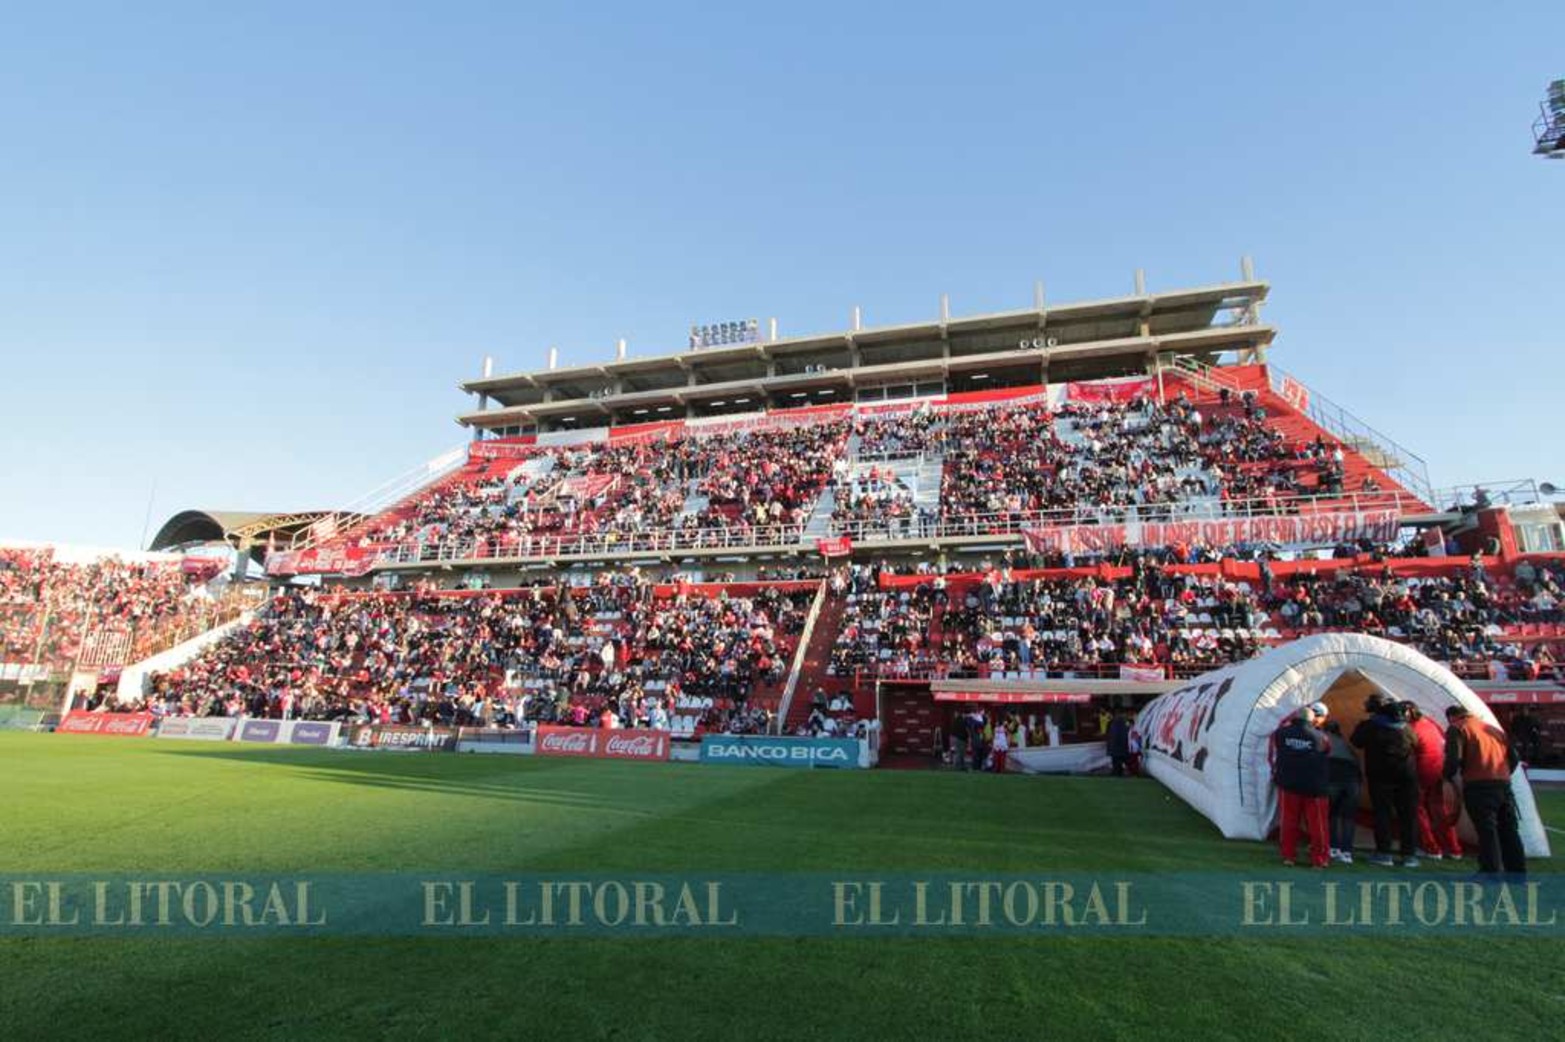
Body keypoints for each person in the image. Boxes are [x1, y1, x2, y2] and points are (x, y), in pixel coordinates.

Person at [1443, 705, 1526, 878]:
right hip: (1503, 784)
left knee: (1487, 830)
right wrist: (1503, 773)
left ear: (1452, 717)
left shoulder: (1457, 728)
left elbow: (1453, 760)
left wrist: (1446, 777)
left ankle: (1490, 870)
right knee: (1509, 829)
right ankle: (1517, 872)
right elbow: (1514, 757)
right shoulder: (1493, 729)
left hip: (1478, 785)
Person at [1351, 693, 1420, 867]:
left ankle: (1384, 853)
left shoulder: (1370, 726)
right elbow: (1416, 743)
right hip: (1407, 776)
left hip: (1380, 776)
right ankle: (1409, 854)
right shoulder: (1407, 729)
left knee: (1383, 814)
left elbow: (1356, 741)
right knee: (1408, 815)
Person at [1271, 703, 1331, 868]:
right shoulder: (1321, 737)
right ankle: (1319, 859)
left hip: (1289, 784)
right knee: (1318, 825)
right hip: (1315, 786)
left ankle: (1288, 856)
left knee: (1289, 822)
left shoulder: (1281, 733)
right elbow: (1327, 750)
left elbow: (1277, 746)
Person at [1402, 701, 1462, 860]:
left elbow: (1405, 751)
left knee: (1418, 810)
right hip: (1438, 771)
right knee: (1440, 810)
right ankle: (1454, 848)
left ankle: (1432, 848)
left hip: (1422, 773)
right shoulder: (1430, 723)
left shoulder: (1411, 729)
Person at [1322, 719, 1361, 864]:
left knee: (1332, 814)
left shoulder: (1323, 740)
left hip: (1334, 779)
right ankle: (1347, 852)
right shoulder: (1346, 745)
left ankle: (1333, 847)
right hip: (1352, 781)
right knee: (1348, 818)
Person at [1107, 711, 1132, 777]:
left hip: (1115, 748)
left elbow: (1110, 736)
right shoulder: (1126, 724)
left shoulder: (1112, 724)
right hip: (1123, 748)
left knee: (1116, 763)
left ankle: (1117, 772)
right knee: (1127, 762)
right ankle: (1130, 772)